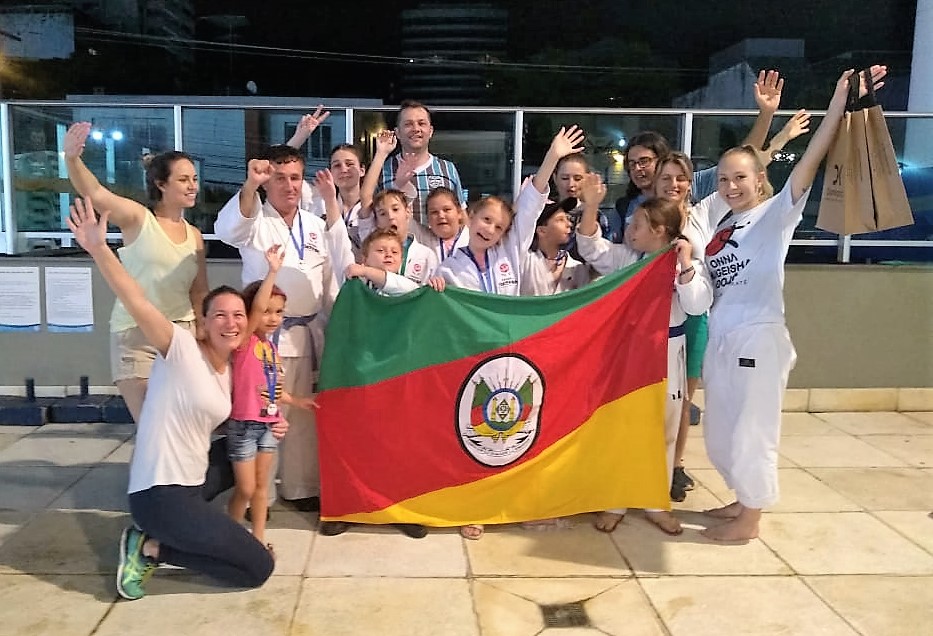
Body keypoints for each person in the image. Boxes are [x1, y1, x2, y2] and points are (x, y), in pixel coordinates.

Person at [691, 65, 886, 541]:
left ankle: (751, 519)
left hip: (758, 335)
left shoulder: (775, 214)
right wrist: (765, 121)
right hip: (722, 336)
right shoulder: (722, 224)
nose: (731, 186)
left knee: (752, 430)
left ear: (760, 180)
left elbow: (812, 160)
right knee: (721, 432)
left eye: (740, 178)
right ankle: (742, 497)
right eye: (723, 179)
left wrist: (839, 100)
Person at [67, 197, 282, 600]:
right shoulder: (180, 348)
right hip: (161, 496)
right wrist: (99, 249)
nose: (231, 322)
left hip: (192, 481)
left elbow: (216, 421)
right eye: (219, 314)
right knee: (258, 568)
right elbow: (137, 300)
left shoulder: (227, 370)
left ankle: (189, 530)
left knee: (245, 446)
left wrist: (271, 420)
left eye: (238, 315)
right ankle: (150, 547)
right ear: (202, 323)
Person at [433, 124, 586, 538]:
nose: (490, 230)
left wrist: (552, 156)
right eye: (484, 220)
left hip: (514, 358)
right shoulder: (448, 268)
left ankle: (519, 504)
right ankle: (473, 507)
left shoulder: (510, 253)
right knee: (474, 436)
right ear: (468, 217)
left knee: (518, 433)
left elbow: (532, 201)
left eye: (498, 227)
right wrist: (435, 289)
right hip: (472, 363)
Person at [576, 175, 713, 536]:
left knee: (665, 429)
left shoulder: (684, 265)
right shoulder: (628, 259)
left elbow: (698, 303)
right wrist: (591, 204)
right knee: (625, 426)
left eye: (637, 224)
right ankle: (616, 500)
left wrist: (683, 263)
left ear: (658, 230)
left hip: (669, 350)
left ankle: (656, 501)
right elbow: (592, 249)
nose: (630, 229)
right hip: (631, 353)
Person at [214, 144, 338, 513]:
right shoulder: (253, 220)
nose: (289, 186)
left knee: (300, 413)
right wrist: (250, 187)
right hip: (262, 337)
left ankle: (300, 487)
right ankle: (260, 495)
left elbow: (328, 282)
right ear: (268, 183)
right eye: (279, 178)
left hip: (306, 333)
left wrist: (335, 328)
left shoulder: (317, 226)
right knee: (259, 418)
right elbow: (226, 230)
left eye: (295, 178)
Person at [63, 122, 209, 423]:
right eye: (183, 179)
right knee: (152, 427)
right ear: (161, 184)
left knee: (184, 424)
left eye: (194, 178)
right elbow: (95, 193)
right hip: (137, 337)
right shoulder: (138, 218)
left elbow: (199, 291)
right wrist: (72, 159)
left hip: (182, 335)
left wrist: (203, 333)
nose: (192, 185)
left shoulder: (194, 234)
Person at [615, 70, 789, 230]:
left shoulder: (696, 189)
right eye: (632, 164)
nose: (638, 168)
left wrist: (766, 114)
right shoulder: (625, 208)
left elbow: (743, 156)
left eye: (644, 161)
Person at [226, 246, 318, 547]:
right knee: (246, 489)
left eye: (279, 312)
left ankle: (257, 541)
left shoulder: (270, 349)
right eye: (267, 311)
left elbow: (272, 389)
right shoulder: (245, 343)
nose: (273, 317)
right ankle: (228, 539)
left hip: (268, 426)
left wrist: (294, 401)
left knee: (262, 488)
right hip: (244, 427)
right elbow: (255, 310)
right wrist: (272, 272)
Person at [358, 131, 439, 285]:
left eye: (395, 209)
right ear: (376, 220)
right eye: (382, 213)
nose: (390, 216)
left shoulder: (426, 254)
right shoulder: (371, 240)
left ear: (408, 212)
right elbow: (366, 196)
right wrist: (381, 154)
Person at [379, 100, 466, 225]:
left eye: (421, 123)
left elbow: (461, 215)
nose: (416, 129)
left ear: (430, 131)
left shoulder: (447, 169)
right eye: (408, 124)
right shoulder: (383, 170)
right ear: (397, 132)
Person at [519, 197, 591, 296]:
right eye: (560, 220)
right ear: (542, 231)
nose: (569, 224)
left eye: (568, 218)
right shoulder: (525, 262)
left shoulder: (577, 268)